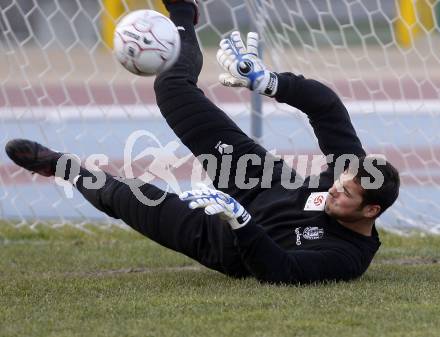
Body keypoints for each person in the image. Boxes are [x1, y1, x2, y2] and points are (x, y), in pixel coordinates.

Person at [5, 0, 400, 284]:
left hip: (228, 241)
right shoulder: (353, 168)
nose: (334, 187)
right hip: (261, 180)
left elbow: (280, 271)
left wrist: (240, 220)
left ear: (371, 210)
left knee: (126, 196)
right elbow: (327, 108)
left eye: (345, 193)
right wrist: (268, 82)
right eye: (339, 182)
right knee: (173, 91)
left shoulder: (347, 258)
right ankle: (182, 13)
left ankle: (63, 168)